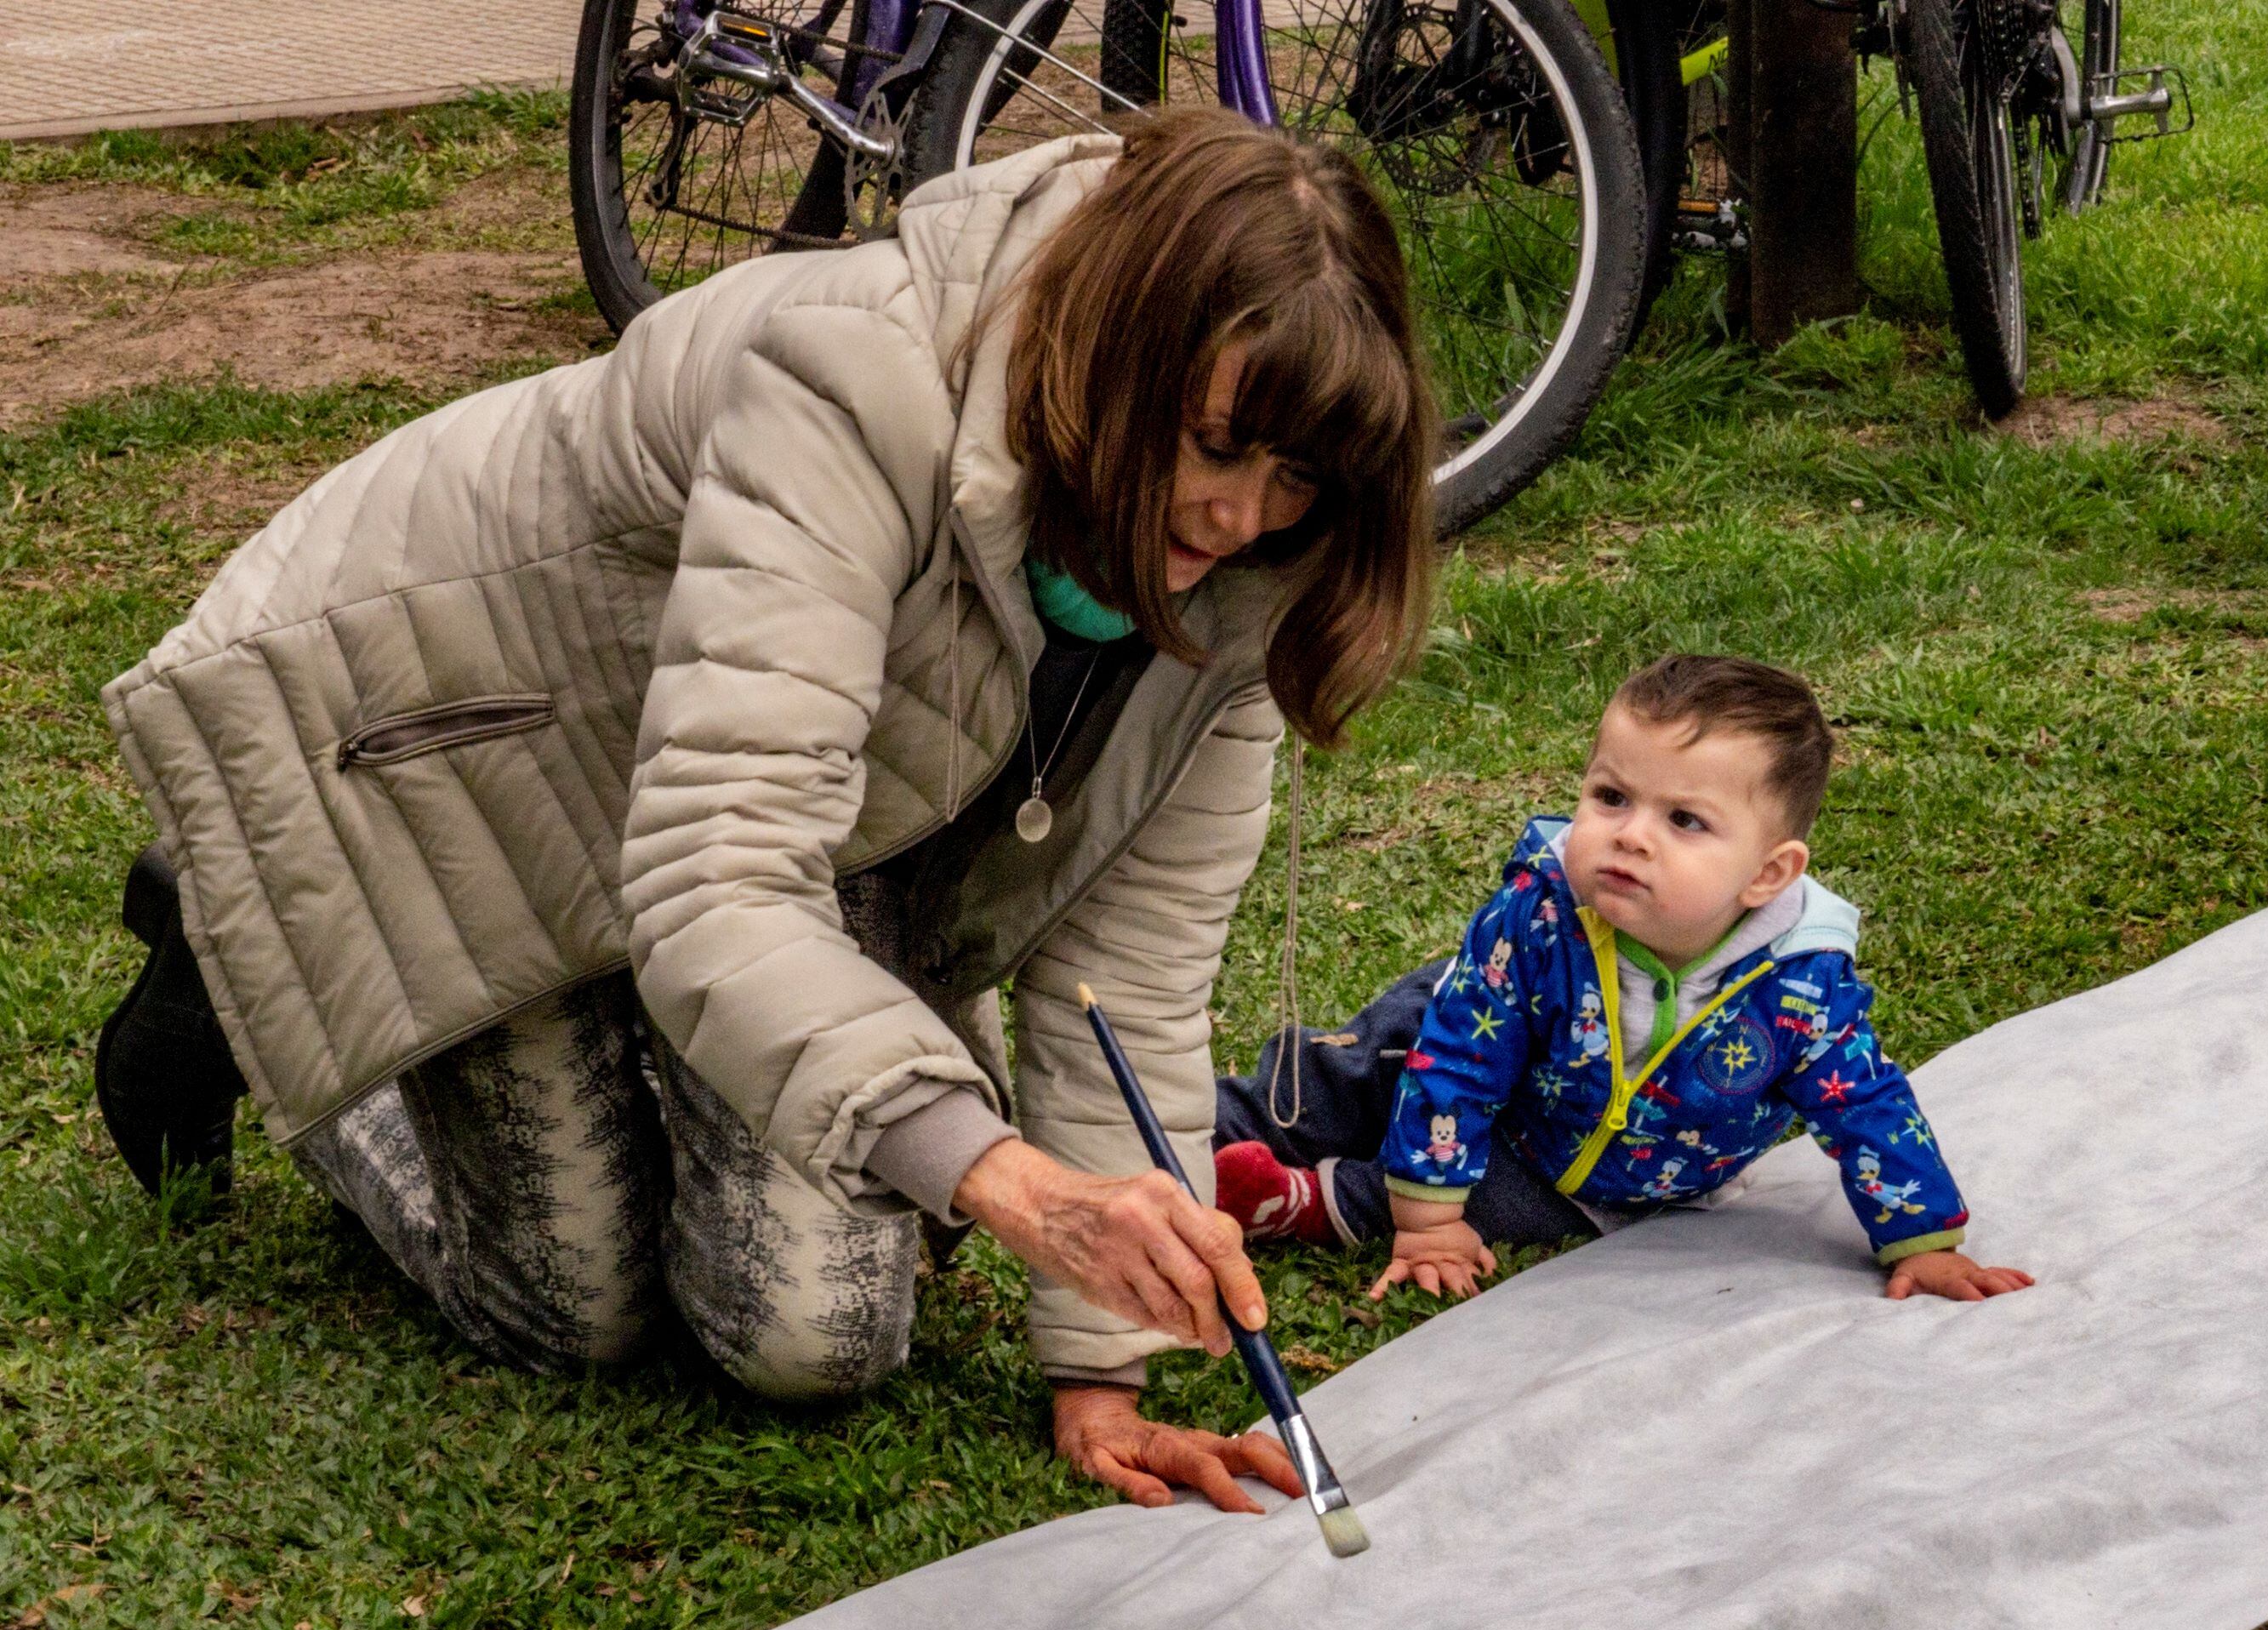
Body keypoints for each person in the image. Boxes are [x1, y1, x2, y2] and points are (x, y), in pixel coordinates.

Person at [91, 110, 1436, 1515]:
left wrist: (1101, 1376)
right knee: (569, 1305)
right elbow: (719, 877)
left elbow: (1129, 977)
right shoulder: (856, 373)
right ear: (1115, 345)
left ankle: (616, 1033)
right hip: (483, 746)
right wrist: (1024, 1193)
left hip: (801, 796)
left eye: (1295, 480)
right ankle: (265, 962)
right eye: (1215, 444)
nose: (1237, 516)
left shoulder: (1256, 584)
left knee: (818, 1333)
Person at [1205, 655, 2035, 1308]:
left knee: (1506, 1211)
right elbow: (1458, 1062)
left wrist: (1923, 1240)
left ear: (1768, 875)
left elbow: (1867, 1107)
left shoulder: (1802, 989)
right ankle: (1189, 1130)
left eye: (1684, 821)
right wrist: (1429, 1222)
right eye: (1610, 796)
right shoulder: (1539, 915)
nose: (1630, 835)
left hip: (1598, 1169)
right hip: (1451, 1041)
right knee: (1342, 1082)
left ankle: (1305, 1202)